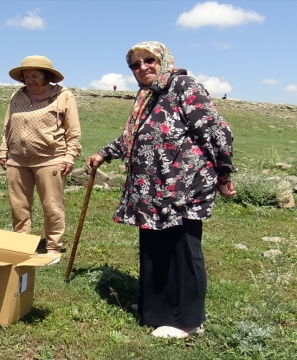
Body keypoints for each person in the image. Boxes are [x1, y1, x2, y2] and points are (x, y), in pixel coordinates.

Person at [86, 41, 237, 339]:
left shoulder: (183, 85)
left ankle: (188, 321)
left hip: (183, 187)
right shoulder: (146, 96)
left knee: (181, 249)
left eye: (149, 60)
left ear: (164, 59)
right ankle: (156, 310)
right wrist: (105, 152)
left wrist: (223, 174)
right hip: (151, 189)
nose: (142, 68)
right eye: (135, 64)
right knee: (155, 248)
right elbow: (134, 136)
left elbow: (218, 133)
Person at [0, 55, 81, 255]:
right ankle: (22, 244)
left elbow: (73, 130)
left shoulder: (63, 95)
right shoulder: (16, 96)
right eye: (26, 76)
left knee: (52, 206)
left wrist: (70, 156)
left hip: (50, 159)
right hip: (17, 160)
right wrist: (3, 150)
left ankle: (53, 246)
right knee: (18, 206)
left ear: (47, 77)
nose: (30, 80)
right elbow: (7, 126)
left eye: (35, 75)